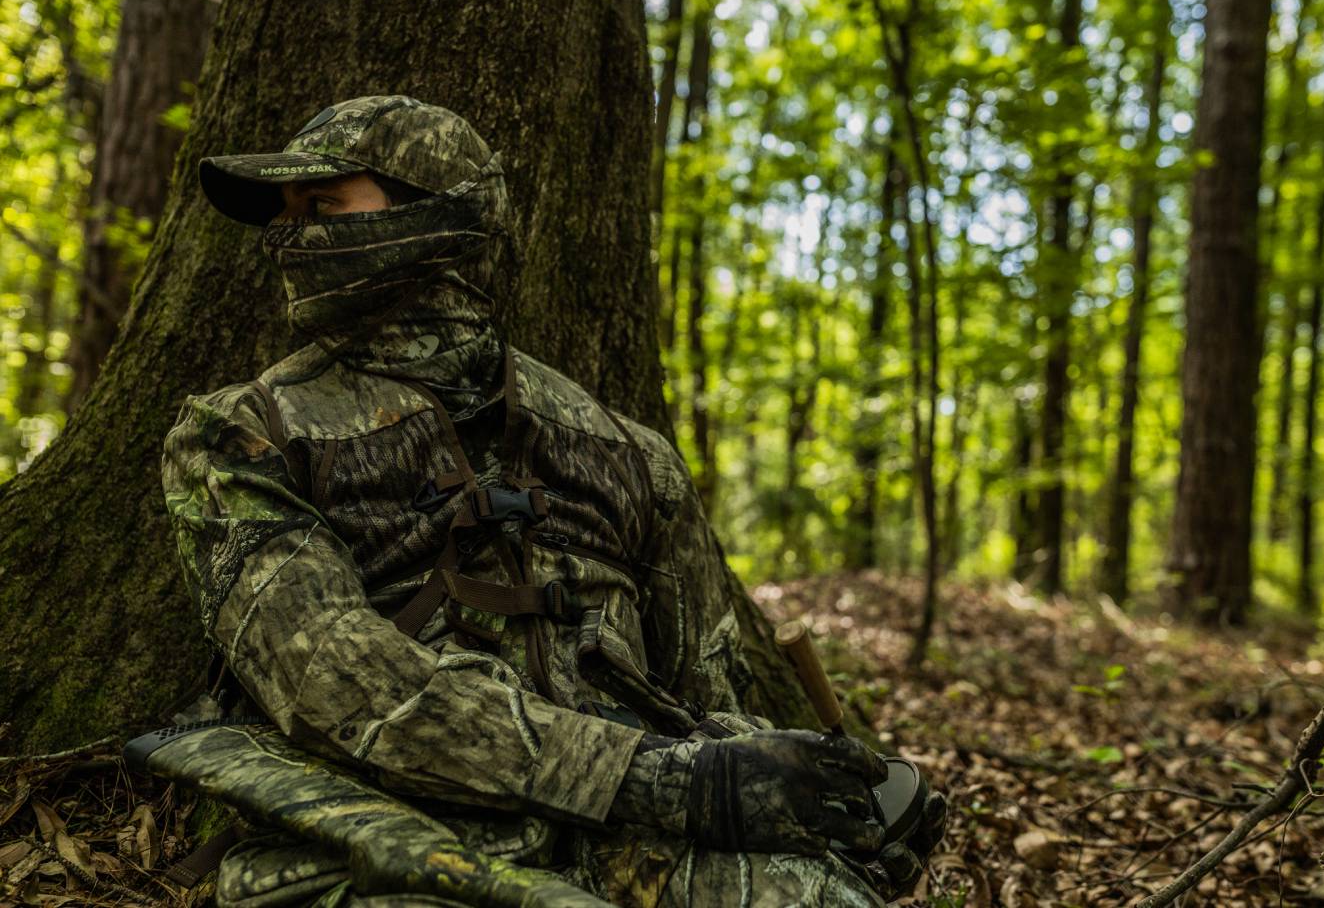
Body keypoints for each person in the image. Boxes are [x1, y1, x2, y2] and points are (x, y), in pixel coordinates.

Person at [161, 95, 944, 907]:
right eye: (283, 216)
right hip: (389, 843)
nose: (287, 237)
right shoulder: (242, 432)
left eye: (321, 206)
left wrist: (830, 798)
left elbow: (709, 701)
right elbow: (328, 678)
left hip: (633, 848)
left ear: (439, 218)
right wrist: (659, 780)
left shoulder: (629, 455)